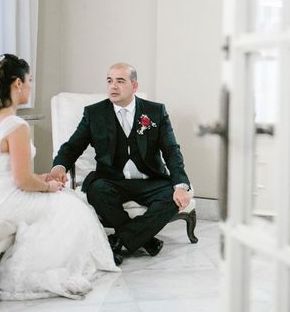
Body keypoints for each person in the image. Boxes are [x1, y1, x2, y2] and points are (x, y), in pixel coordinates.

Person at [0, 54, 119, 300]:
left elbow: (9, 174)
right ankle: (52, 267)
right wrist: (49, 188)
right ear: (17, 84)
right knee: (69, 204)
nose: (30, 86)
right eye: (29, 80)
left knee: (62, 196)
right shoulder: (16, 125)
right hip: (1, 202)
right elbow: (22, 181)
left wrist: (44, 178)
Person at [49, 62, 191, 265]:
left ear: (134, 86)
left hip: (149, 180)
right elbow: (72, 146)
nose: (113, 86)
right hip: (111, 181)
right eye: (109, 81)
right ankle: (144, 240)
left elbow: (171, 151)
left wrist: (180, 186)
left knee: (173, 197)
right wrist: (59, 167)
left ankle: (118, 240)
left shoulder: (155, 112)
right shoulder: (94, 113)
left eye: (120, 81)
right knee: (96, 190)